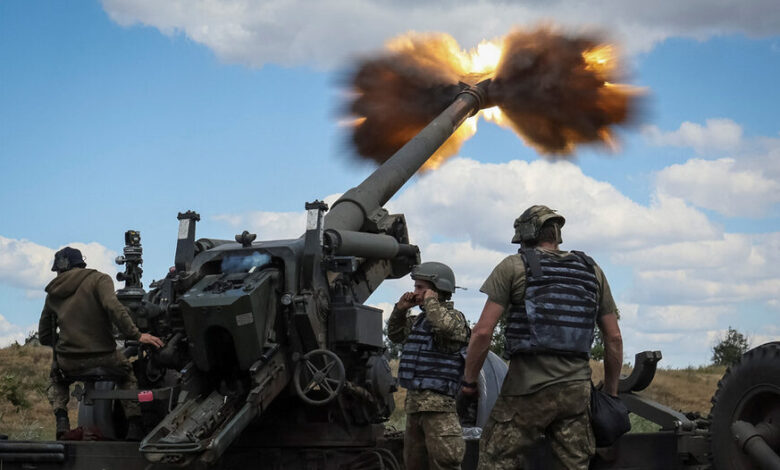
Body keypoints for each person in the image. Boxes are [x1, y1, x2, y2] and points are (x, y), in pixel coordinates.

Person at [461, 205, 623, 469]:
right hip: (576, 394)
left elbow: (482, 332)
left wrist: (469, 382)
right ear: (556, 234)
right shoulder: (591, 269)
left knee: (496, 461)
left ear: (525, 234)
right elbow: (613, 337)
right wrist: (612, 394)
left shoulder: (514, 266)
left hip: (526, 390)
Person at [38, 247, 164, 440]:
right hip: (105, 358)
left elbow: (45, 335)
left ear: (59, 269)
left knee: (57, 379)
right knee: (126, 375)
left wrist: (65, 346)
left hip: (69, 362)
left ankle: (62, 422)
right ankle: (134, 425)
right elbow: (113, 307)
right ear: (81, 264)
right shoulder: (99, 280)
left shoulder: (53, 292)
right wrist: (137, 335)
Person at [387, 262, 470, 470]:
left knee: (445, 462)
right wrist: (400, 310)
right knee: (414, 464)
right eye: (415, 287)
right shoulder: (418, 322)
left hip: (440, 409)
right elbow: (395, 335)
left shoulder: (455, 318)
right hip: (414, 407)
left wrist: (431, 302)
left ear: (437, 289)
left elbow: (445, 328)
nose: (415, 292)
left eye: (420, 287)